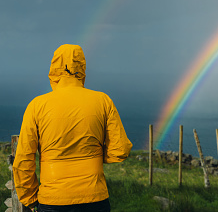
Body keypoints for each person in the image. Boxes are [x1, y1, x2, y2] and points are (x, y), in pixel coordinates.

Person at [13, 44, 133, 212]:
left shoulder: (36, 106)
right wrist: (94, 156)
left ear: (54, 68)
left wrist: (30, 198)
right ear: (82, 67)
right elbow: (120, 150)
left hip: (52, 200)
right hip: (95, 197)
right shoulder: (103, 100)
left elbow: (23, 160)